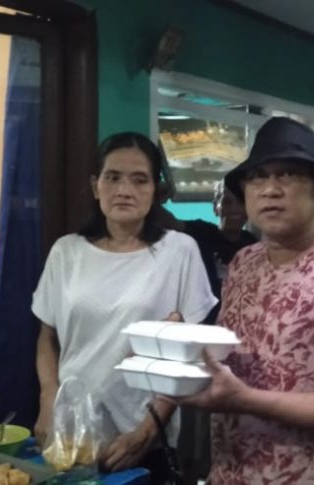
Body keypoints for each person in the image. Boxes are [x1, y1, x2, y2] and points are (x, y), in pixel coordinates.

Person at [178, 117, 314, 484]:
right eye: (257, 177)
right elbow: (231, 363)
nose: (270, 189)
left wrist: (245, 400)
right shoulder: (243, 263)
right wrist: (177, 346)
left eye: (287, 174)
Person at [31, 132, 217, 483]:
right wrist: (47, 398)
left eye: (139, 179)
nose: (124, 190)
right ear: (95, 185)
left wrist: (148, 430)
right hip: (72, 431)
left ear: (155, 189)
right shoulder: (66, 252)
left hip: (142, 433)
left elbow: (189, 355)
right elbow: (47, 338)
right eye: (113, 177)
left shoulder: (179, 252)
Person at [179, 181, 258, 323]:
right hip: (202, 322)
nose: (235, 209)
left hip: (240, 321)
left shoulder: (253, 244)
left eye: (241, 202)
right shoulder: (201, 232)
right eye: (227, 202)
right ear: (216, 207)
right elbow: (166, 222)